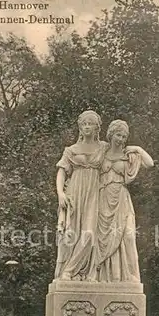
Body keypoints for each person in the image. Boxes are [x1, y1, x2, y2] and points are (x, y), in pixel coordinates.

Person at [97, 120, 154, 282]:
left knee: (127, 236)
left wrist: (138, 149)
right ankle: (108, 277)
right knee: (103, 238)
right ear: (110, 134)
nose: (120, 139)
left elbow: (150, 163)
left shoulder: (128, 155)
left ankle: (130, 276)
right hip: (103, 198)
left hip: (121, 198)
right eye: (118, 134)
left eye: (123, 136)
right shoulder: (101, 152)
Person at [55, 110, 107, 281]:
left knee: (90, 233)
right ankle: (69, 272)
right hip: (75, 192)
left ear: (96, 128)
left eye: (90, 124)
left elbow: (120, 153)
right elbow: (61, 172)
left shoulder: (103, 148)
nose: (86, 127)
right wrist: (60, 193)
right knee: (71, 234)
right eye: (84, 124)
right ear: (80, 127)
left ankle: (71, 270)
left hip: (95, 193)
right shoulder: (71, 150)